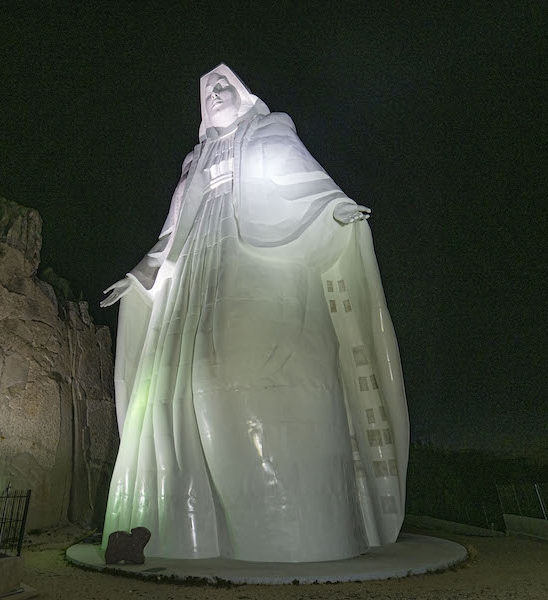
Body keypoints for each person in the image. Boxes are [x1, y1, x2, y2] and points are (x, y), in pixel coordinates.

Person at [100, 64, 408, 562]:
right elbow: (171, 232)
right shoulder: (194, 160)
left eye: (224, 86)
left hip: (259, 250)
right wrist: (139, 275)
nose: (216, 93)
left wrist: (337, 208)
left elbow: (306, 183)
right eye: (207, 91)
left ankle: (289, 527)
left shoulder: (271, 129)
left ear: (242, 94)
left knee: (255, 368)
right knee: (182, 384)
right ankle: (189, 525)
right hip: (197, 267)